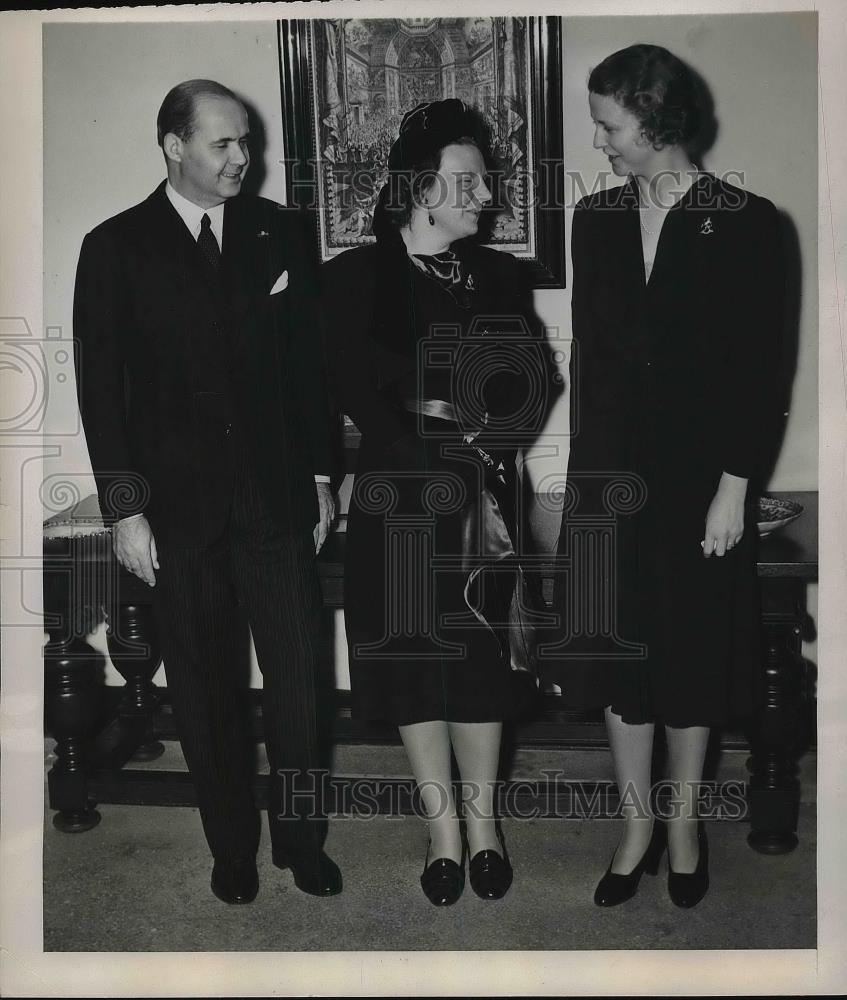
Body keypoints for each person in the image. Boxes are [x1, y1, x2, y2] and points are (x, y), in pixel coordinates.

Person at [73, 79, 342, 904]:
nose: (242, 159)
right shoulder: (115, 245)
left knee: (300, 692)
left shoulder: (279, 232)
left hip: (274, 504)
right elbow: (100, 390)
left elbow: (309, 371)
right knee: (205, 693)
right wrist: (125, 509)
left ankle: (300, 842)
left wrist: (326, 474)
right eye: (223, 144)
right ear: (173, 146)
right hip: (176, 513)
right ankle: (231, 848)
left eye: (246, 142)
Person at [544, 45, 784, 908]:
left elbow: (762, 370)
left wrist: (735, 484)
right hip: (609, 473)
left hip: (697, 481)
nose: (599, 140)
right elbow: (598, 364)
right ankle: (635, 822)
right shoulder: (596, 218)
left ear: (652, 120)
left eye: (608, 123)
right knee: (618, 654)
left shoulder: (748, 221)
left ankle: (681, 824)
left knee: (687, 655)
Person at [321, 99, 546, 905]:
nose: (485, 194)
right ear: (420, 188)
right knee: (415, 662)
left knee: (481, 662)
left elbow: (536, 378)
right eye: (468, 180)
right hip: (399, 494)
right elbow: (344, 383)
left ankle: (483, 828)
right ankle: (442, 830)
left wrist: (495, 441)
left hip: (484, 492)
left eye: (484, 179)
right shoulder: (353, 277)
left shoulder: (500, 274)